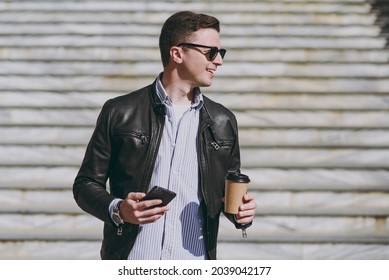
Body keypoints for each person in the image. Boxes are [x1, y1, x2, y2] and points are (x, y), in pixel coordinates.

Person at [73, 11, 256, 260]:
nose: (219, 61)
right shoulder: (120, 111)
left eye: (220, 53)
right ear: (177, 53)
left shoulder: (223, 121)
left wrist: (239, 213)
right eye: (211, 52)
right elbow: (85, 185)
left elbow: (227, 195)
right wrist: (119, 210)